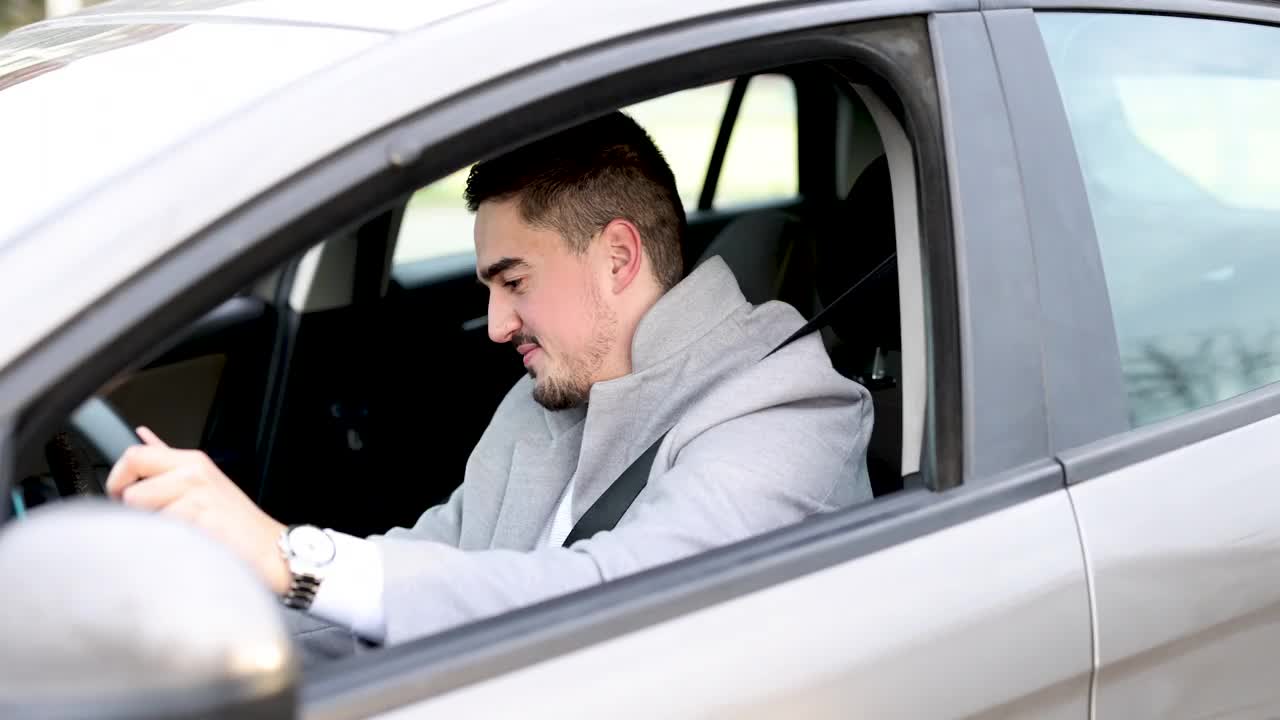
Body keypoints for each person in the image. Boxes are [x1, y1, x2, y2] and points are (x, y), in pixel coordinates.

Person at [105, 110, 874, 661]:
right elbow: (435, 561)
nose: (498, 323)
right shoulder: (546, 398)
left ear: (616, 257)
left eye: (514, 281)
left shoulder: (789, 413)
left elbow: (620, 601)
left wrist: (294, 555)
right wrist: (204, 612)